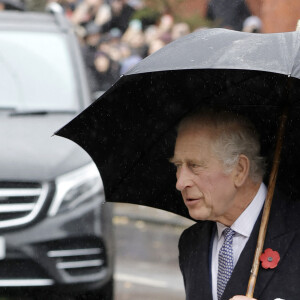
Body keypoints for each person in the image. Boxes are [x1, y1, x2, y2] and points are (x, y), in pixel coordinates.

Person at [170, 109, 300, 300]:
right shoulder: (191, 242)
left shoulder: (295, 230)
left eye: (194, 165)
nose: (180, 183)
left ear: (239, 170)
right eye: (177, 166)